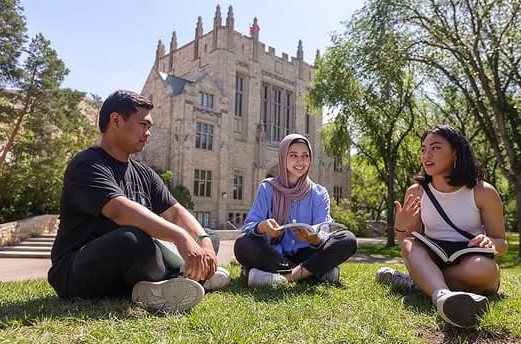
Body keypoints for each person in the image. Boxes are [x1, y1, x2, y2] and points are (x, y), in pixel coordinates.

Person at [48, 90, 230, 313]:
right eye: (143, 125)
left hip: (131, 265)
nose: (148, 133)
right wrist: (180, 236)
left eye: (149, 127)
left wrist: (204, 242)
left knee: (208, 235)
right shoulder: (87, 164)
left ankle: (176, 280)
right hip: (77, 270)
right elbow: (119, 210)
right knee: (133, 238)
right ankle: (187, 277)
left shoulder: (144, 173)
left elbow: (175, 212)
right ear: (116, 120)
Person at [376, 125, 507, 328]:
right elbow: (407, 245)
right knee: (411, 243)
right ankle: (442, 295)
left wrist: (490, 242)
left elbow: (502, 244)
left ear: (456, 152)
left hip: (468, 259)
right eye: (423, 149)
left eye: (435, 148)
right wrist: (400, 227)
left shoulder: (483, 192)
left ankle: (418, 282)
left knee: (484, 270)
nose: (427, 155)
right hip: (432, 256)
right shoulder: (417, 191)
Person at [234, 133, 357, 287]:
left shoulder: (319, 193)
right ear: (283, 157)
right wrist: (263, 227)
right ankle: (314, 273)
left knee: (348, 239)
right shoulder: (267, 188)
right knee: (243, 244)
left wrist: (313, 238)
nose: (300, 161)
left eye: (305, 156)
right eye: (293, 155)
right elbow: (249, 226)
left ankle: (284, 277)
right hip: (274, 253)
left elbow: (324, 231)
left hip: (307, 253)